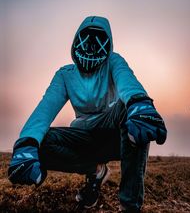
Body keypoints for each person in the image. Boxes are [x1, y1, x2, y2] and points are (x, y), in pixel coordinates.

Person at [8, 16, 167, 213]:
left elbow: (127, 81)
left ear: (107, 47)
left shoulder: (114, 61)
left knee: (136, 116)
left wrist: (139, 102)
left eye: (97, 44)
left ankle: (129, 206)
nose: (91, 49)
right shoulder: (65, 75)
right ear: (75, 42)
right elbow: (46, 108)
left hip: (114, 134)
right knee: (40, 141)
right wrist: (27, 143)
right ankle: (96, 171)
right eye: (86, 43)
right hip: (83, 135)